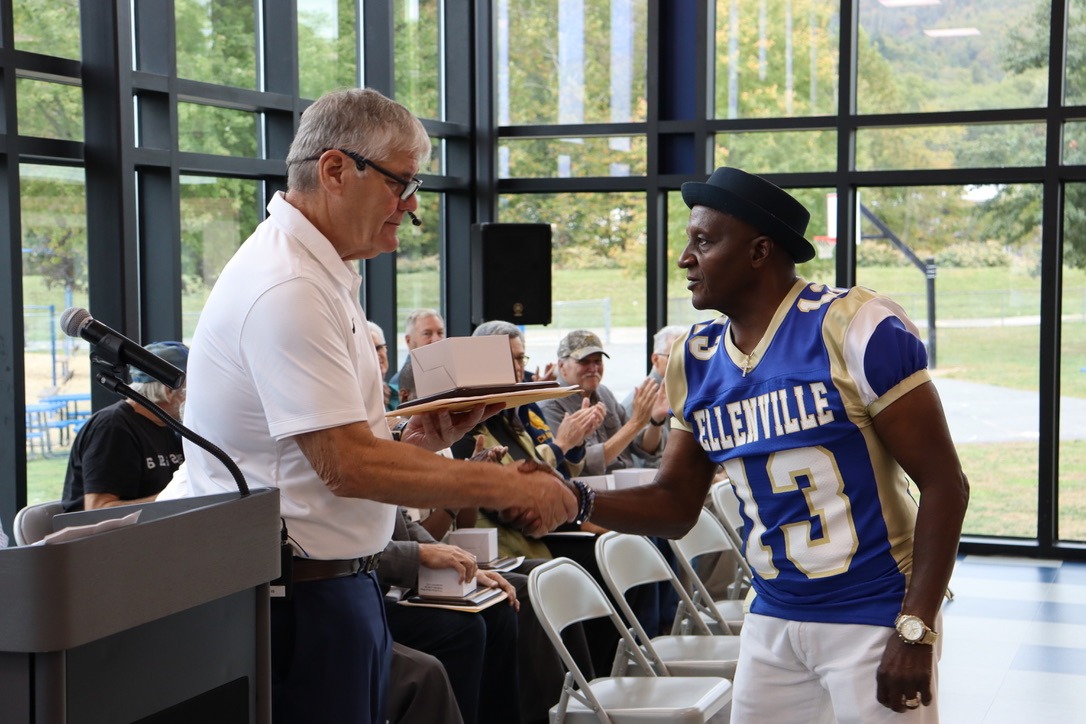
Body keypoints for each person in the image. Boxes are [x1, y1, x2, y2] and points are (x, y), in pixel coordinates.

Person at [179, 88, 576, 724]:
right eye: (402, 182)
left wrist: (422, 442)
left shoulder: (317, 272)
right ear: (336, 170)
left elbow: (318, 463)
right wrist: (503, 484)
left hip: (333, 583)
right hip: (300, 597)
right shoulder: (290, 286)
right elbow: (346, 466)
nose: (412, 206)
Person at [582, 167, 969, 723]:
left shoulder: (854, 325)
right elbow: (673, 506)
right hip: (773, 614)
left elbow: (945, 484)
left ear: (760, 251)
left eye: (704, 241)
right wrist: (576, 501)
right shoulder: (693, 358)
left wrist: (917, 625)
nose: (685, 259)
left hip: (874, 608)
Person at [379, 507, 521, 724]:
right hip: (372, 596)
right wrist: (422, 553)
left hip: (410, 586)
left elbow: (403, 524)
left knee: (500, 610)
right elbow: (356, 551)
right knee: (463, 630)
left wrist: (460, 563)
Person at [60, 341, 188, 512]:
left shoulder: (172, 426)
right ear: (169, 391)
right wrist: (174, 498)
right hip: (107, 538)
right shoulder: (112, 428)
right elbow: (97, 510)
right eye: (192, 387)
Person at [538, 329, 669, 475]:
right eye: (584, 361)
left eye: (597, 361)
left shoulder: (604, 393)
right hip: (589, 489)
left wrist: (656, 420)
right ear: (562, 366)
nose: (593, 368)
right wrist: (635, 423)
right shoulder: (549, 405)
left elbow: (643, 448)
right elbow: (581, 466)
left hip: (624, 482)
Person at [622, 324, 687, 468]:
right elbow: (649, 462)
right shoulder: (639, 400)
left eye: (688, 356)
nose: (684, 362)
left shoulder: (685, 390)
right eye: (675, 356)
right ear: (656, 359)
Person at [391, 308, 446, 406]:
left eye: (440, 333)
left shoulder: (449, 376)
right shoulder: (398, 384)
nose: (436, 339)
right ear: (409, 340)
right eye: (427, 334)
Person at [368, 320, 397, 410]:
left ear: (386, 349)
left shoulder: (398, 392)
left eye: (378, 348)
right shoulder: (356, 402)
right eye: (369, 350)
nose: (376, 355)